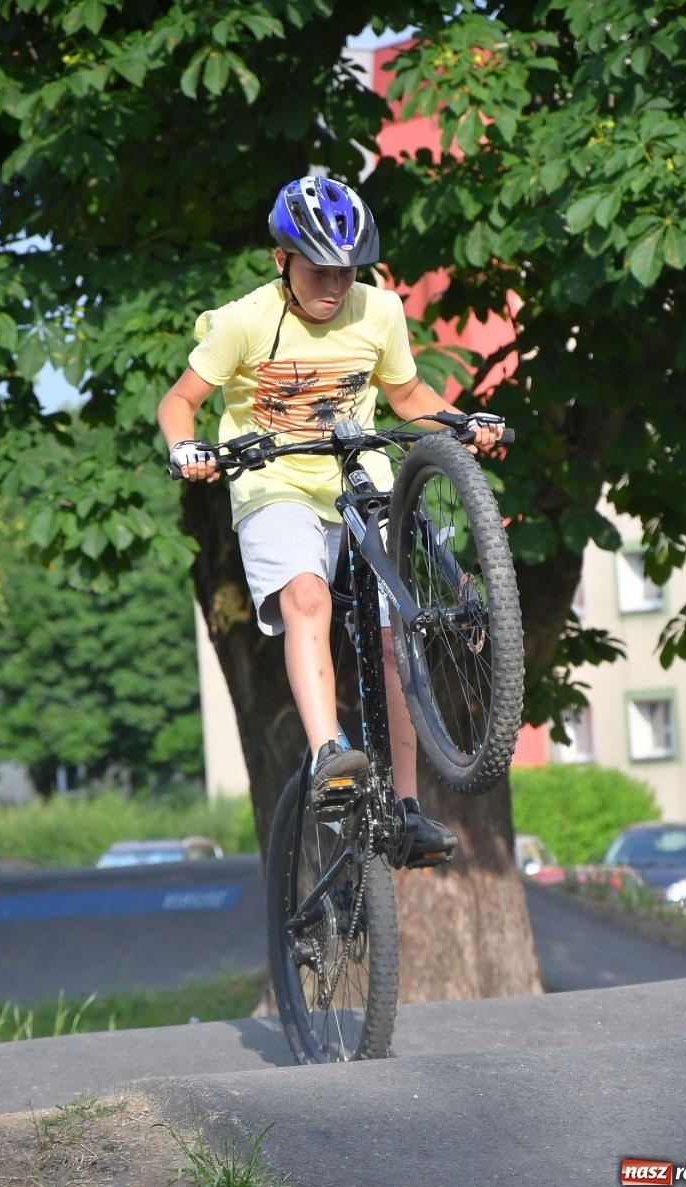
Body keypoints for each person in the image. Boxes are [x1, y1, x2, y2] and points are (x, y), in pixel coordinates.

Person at [158, 175, 504, 865]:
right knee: (308, 600)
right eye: (319, 270)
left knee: (397, 635)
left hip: (359, 475)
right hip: (274, 481)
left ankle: (406, 810)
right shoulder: (243, 322)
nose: (335, 285)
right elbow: (179, 400)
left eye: (348, 271)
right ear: (281, 260)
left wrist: (463, 422)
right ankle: (329, 756)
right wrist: (185, 448)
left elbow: (407, 394)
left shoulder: (379, 311)